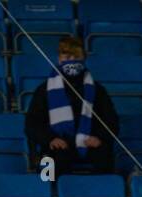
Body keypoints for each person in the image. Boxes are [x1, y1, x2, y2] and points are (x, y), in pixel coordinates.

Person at [23, 35, 119, 178]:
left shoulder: (97, 89)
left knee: (105, 157)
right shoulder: (44, 89)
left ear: (83, 59)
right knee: (46, 167)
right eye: (66, 58)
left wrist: (99, 138)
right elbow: (32, 124)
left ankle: (104, 195)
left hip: (88, 142)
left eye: (75, 57)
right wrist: (50, 139)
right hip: (56, 143)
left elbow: (111, 121)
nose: (70, 61)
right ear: (59, 59)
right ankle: (46, 194)